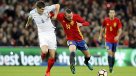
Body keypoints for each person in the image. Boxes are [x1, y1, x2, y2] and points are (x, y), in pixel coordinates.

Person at [25, 1, 60, 76]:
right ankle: (43, 54)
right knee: (44, 51)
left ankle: (47, 71)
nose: (43, 11)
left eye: (43, 9)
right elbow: (30, 18)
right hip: (42, 34)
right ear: (37, 8)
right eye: (41, 9)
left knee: (52, 56)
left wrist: (56, 15)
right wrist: (27, 23)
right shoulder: (32, 12)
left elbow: (57, 5)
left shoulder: (47, 9)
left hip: (51, 33)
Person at [55, 9, 93, 74]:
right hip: (71, 40)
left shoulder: (76, 16)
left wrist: (81, 24)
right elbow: (52, 14)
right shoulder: (61, 17)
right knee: (72, 52)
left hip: (80, 40)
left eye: (71, 16)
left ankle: (86, 62)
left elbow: (87, 23)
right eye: (69, 17)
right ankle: (72, 66)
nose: (71, 18)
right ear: (65, 16)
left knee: (88, 56)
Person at [98, 9, 122, 73]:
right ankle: (110, 67)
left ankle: (112, 67)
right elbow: (102, 28)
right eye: (110, 13)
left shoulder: (117, 20)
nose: (111, 14)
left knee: (113, 54)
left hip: (115, 41)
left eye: (113, 13)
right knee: (109, 52)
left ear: (114, 14)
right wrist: (100, 36)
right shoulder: (106, 20)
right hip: (108, 40)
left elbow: (120, 30)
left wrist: (118, 36)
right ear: (109, 14)